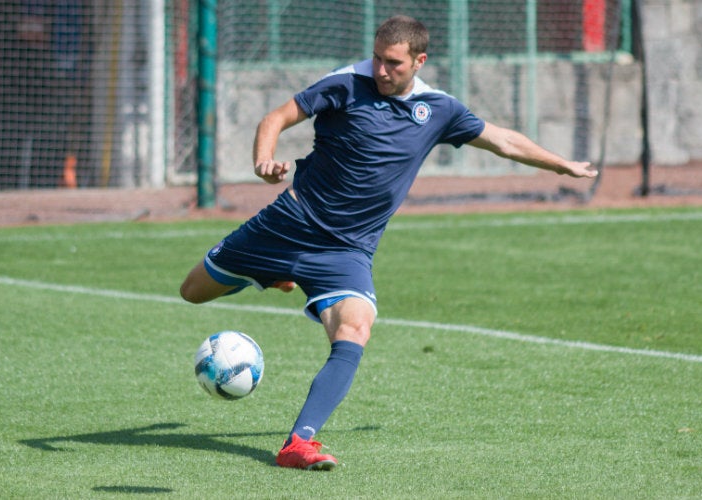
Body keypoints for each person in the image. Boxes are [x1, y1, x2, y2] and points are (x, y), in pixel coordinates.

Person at [180, 15, 597, 471]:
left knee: (355, 329)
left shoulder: (439, 109)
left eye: (393, 63)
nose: (380, 70)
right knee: (193, 292)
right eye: (377, 58)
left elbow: (503, 140)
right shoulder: (346, 84)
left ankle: (297, 443)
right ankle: (269, 272)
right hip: (289, 223)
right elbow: (276, 116)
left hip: (347, 251)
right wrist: (263, 159)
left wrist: (562, 165)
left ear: (419, 61)